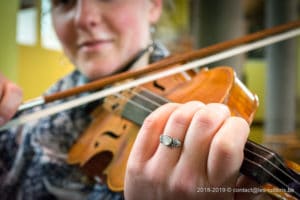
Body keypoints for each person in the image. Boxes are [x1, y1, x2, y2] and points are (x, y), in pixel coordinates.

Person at [0, 0, 270, 199]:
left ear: (153, 6)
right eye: (64, 2)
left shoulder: (206, 96)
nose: (83, 18)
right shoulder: (33, 117)